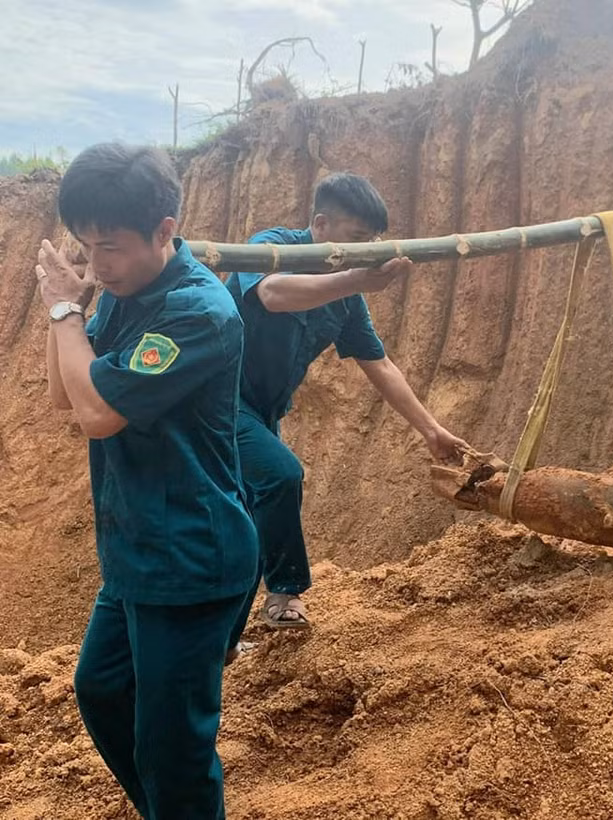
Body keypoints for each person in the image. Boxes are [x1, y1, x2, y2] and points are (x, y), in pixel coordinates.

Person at [39, 143, 257, 819]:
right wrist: (64, 313)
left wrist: (64, 313)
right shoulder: (124, 295)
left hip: (192, 556)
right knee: (103, 691)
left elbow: (99, 414)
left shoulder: (197, 310)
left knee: (174, 747)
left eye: (111, 247)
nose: (97, 265)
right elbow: (63, 397)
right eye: (86, 246)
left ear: (165, 230)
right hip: (138, 552)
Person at [225, 172, 467, 649]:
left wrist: (430, 430)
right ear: (320, 224)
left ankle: (225, 643)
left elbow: (379, 365)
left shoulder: (347, 301)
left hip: (263, 412)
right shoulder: (273, 245)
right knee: (281, 476)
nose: (367, 249)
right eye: (358, 238)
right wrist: (355, 278)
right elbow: (272, 294)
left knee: (250, 520)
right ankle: (286, 591)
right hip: (215, 402)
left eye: (373, 240)